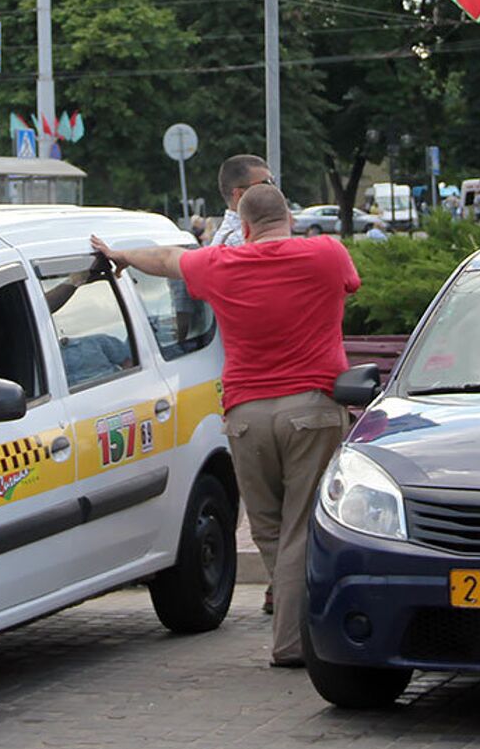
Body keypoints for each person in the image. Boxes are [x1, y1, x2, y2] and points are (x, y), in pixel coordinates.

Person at [92, 182, 361, 670]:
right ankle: (295, 640)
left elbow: (166, 259)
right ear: (291, 219)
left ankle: (290, 627)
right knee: (305, 525)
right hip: (312, 409)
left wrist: (120, 256)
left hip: (246, 416)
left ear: (245, 225)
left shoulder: (220, 264)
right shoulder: (326, 253)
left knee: (270, 529)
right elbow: (350, 284)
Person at [210, 154, 276, 247]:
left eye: (273, 182)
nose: (273, 190)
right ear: (240, 195)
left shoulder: (239, 235)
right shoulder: (239, 240)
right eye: (265, 184)